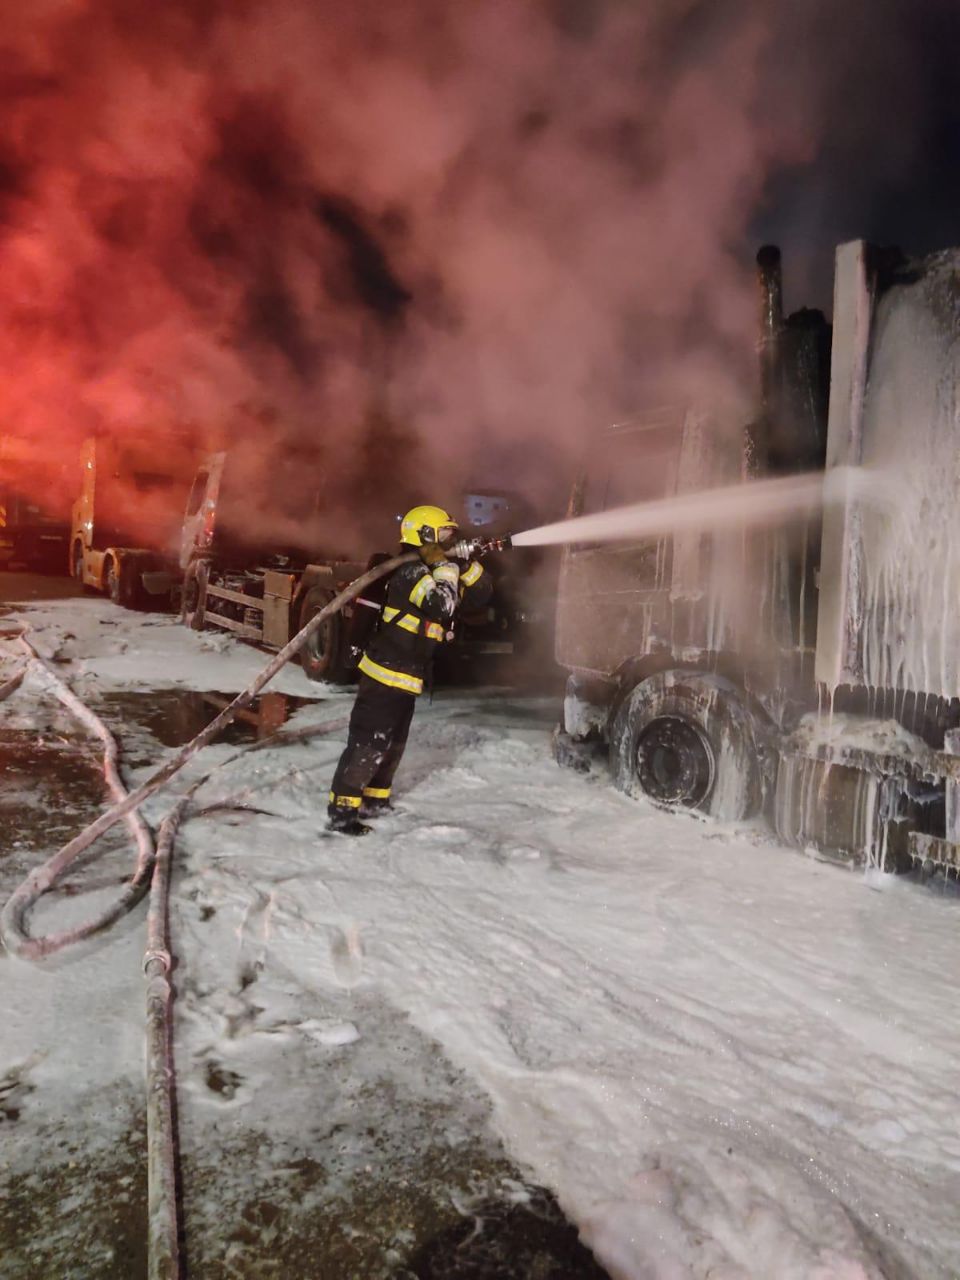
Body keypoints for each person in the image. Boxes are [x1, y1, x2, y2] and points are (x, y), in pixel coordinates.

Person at [327, 504, 492, 835]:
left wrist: (468, 564)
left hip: (407, 676)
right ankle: (342, 812)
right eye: (444, 534)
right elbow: (441, 607)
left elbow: (481, 596)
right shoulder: (410, 573)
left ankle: (375, 800)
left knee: (394, 744)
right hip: (384, 674)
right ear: (425, 536)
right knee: (369, 743)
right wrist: (446, 567)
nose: (449, 539)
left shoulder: (435, 571)